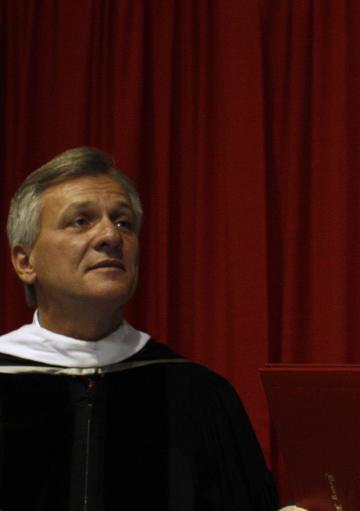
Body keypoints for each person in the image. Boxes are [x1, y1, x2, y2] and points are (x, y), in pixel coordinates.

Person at [0, 147, 279, 511]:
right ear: (25, 261)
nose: (110, 236)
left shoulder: (196, 395)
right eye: (81, 221)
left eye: (123, 222)